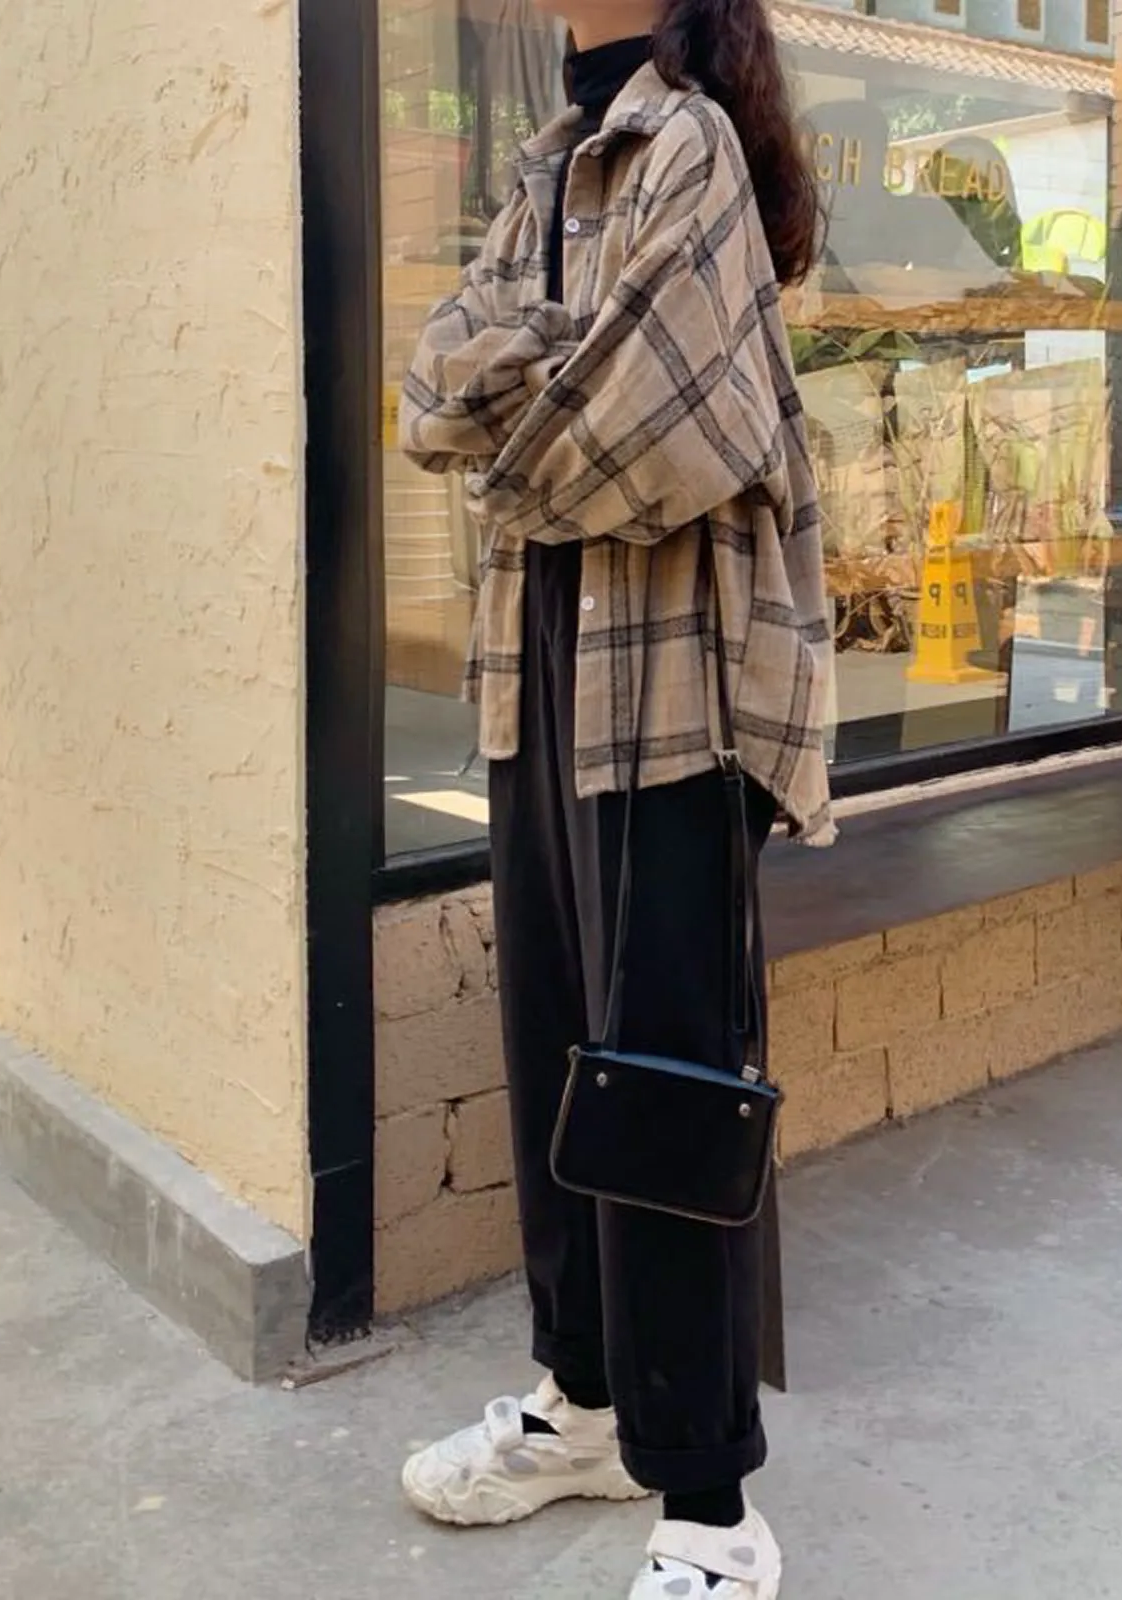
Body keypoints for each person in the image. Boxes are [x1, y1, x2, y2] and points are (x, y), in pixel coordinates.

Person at [396, 2, 832, 1595]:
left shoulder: (686, 143)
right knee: (553, 1058)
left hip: (672, 697)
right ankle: (582, 1406)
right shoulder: (550, 161)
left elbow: (658, 431)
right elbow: (428, 388)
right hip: (538, 673)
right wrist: (532, 379)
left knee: (662, 1086)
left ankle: (713, 1511)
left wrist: (510, 399)